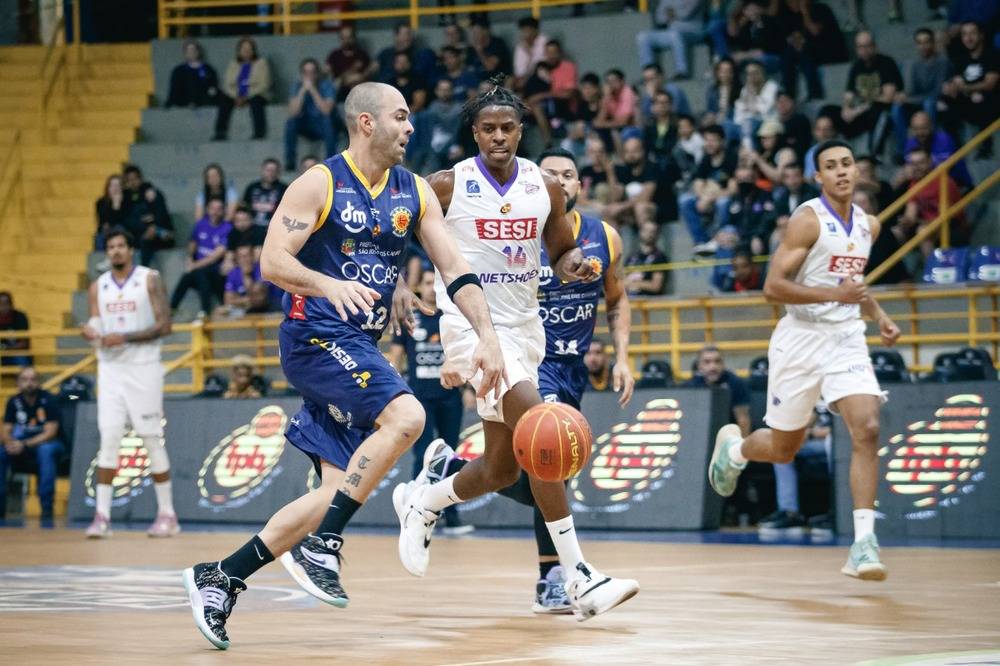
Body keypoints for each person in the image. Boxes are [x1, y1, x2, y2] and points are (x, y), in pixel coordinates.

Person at [182, 82, 505, 650]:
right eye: (401, 118)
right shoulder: (320, 182)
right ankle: (325, 544)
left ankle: (222, 576)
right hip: (313, 336)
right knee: (407, 417)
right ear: (366, 124)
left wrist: (487, 335)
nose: (411, 128)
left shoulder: (415, 192)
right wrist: (330, 284)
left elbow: (455, 266)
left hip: (358, 345)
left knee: (332, 489)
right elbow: (272, 261)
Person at [392, 80, 640, 622]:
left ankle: (426, 499)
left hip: (526, 326)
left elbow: (560, 250)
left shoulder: (544, 186)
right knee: (544, 427)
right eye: (488, 129)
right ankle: (577, 576)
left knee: (503, 469)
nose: (498, 136)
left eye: (507, 128)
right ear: (474, 133)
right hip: (472, 323)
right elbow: (397, 234)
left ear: (521, 131)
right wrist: (396, 285)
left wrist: (575, 265)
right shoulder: (446, 185)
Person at [708, 139, 902, 581]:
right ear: (818, 177)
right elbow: (773, 287)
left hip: (846, 337)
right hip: (800, 338)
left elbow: (853, 283)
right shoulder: (806, 221)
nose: (841, 172)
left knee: (868, 427)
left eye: (847, 164)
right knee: (782, 449)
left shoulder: (869, 225)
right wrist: (836, 295)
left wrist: (880, 316)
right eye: (830, 166)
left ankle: (863, 544)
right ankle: (736, 449)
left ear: (857, 171)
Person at [471, 146, 633, 612]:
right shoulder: (518, 235)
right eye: (550, 175)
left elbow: (617, 299)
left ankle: (454, 476)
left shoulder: (605, 236)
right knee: (553, 462)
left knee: (527, 469)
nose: (560, 181)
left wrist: (622, 357)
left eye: (569, 174)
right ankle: (553, 577)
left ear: (580, 185)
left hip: (573, 365)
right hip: (529, 360)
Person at [81, 227, 177, 538]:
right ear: (106, 252)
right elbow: (97, 319)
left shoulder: (149, 278)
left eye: (121, 245)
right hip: (110, 370)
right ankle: (102, 517)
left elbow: (165, 325)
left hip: (143, 366)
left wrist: (124, 336)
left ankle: (167, 514)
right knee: (108, 440)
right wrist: (92, 330)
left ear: (130, 249)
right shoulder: (98, 286)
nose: (116, 251)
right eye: (111, 247)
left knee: (150, 437)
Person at [388, 267, 469, 536]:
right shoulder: (410, 316)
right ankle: (415, 510)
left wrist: (468, 387)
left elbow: (463, 352)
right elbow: (395, 357)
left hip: (450, 396)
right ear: (419, 287)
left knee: (450, 454)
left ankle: (451, 515)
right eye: (427, 282)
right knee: (422, 454)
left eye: (436, 282)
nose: (432, 286)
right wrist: (392, 391)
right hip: (419, 397)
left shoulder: (451, 317)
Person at [1, 366, 62, 520]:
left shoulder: (49, 399)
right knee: (1, 452)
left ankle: (47, 508)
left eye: (33, 379)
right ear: (18, 383)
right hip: (21, 446)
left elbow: (50, 432)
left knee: (46, 450)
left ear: (39, 382)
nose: (29, 383)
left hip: (48, 443)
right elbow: (5, 429)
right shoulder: (13, 401)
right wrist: (10, 443)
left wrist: (25, 444)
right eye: (25, 379)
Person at [890, 27, 950, 162]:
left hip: (939, 101)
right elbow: (914, 90)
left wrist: (910, 98)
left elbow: (937, 91)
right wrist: (904, 97)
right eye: (919, 43)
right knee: (897, 107)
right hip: (921, 100)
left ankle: (931, 146)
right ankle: (903, 149)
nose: (923, 46)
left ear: (933, 43)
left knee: (929, 103)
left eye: (926, 42)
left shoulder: (942, 62)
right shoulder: (916, 64)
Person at [940, 21, 998, 157]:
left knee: (979, 98)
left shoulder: (992, 55)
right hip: (968, 98)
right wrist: (950, 88)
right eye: (964, 34)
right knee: (942, 104)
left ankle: (986, 147)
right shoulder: (961, 58)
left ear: (981, 35)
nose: (968, 38)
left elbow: (990, 84)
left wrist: (965, 87)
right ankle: (956, 146)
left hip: (991, 99)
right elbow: (957, 80)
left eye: (972, 33)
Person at [840, 32, 903, 155]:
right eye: (860, 47)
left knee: (878, 115)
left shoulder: (886, 63)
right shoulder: (856, 66)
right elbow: (849, 93)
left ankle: (874, 156)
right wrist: (846, 108)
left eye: (867, 46)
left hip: (882, 109)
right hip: (862, 110)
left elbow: (888, 97)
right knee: (829, 112)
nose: (864, 50)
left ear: (874, 46)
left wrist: (859, 109)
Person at [169, 198, 232, 318]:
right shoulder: (201, 224)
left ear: (223, 211)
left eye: (219, 209)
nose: (215, 212)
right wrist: (189, 259)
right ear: (208, 210)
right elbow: (193, 244)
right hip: (199, 271)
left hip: (216, 272)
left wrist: (193, 266)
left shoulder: (227, 228)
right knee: (187, 276)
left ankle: (205, 311)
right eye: (213, 209)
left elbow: (214, 257)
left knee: (201, 273)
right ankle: (172, 308)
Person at [214, 36, 271, 142]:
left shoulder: (262, 63)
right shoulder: (233, 64)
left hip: (256, 94)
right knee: (224, 99)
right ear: (239, 51)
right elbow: (227, 84)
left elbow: (264, 84)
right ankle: (220, 132)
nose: (246, 51)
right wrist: (237, 96)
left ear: (253, 51)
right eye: (244, 49)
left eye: (249, 49)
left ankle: (259, 133)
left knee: (256, 102)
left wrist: (246, 96)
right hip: (236, 95)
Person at [684, 345, 751, 434]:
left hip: (729, 435)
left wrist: (741, 446)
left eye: (717, 361)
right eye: (707, 362)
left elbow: (743, 420)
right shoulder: (691, 387)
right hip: (700, 435)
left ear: (723, 364)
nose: (713, 367)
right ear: (699, 366)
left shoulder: (736, 383)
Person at [285, 58, 337, 169]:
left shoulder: (326, 85)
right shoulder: (296, 86)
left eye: (312, 72)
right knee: (290, 122)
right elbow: (293, 112)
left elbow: (326, 111)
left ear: (317, 74)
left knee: (327, 121)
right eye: (306, 72)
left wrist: (313, 90)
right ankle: (290, 161)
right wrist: (302, 91)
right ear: (301, 74)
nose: (309, 75)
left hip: (322, 126)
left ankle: (331, 162)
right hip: (305, 125)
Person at [635, 0, 708, 80]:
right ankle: (649, 74)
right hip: (671, 33)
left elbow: (685, 14)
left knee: (675, 35)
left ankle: (682, 71)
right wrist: (674, 13)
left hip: (693, 32)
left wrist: (671, 12)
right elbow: (659, 18)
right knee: (643, 37)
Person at [122, 165, 174, 267]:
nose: (133, 182)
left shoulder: (153, 193)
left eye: (135, 179)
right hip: (138, 235)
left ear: (140, 178)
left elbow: (162, 214)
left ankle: (143, 270)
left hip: (160, 234)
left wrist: (154, 227)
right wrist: (145, 226)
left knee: (149, 237)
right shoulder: (125, 198)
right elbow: (127, 221)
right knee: (139, 239)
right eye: (129, 180)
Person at [325, 24, 374, 104]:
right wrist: (344, 78)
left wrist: (357, 77)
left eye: (349, 37)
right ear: (340, 39)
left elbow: (368, 72)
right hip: (341, 92)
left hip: (360, 93)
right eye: (344, 38)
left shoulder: (362, 54)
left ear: (353, 38)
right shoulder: (334, 55)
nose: (346, 40)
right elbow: (326, 72)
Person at [165, 40, 219, 108]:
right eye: (188, 51)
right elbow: (174, 93)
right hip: (183, 110)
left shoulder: (208, 70)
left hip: (205, 109)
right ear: (185, 53)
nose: (191, 53)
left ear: (198, 52)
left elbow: (213, 90)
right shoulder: (178, 72)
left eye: (193, 50)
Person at [625, 220, 669, 296]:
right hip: (630, 301)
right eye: (646, 231)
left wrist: (634, 283)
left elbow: (656, 286)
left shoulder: (660, 257)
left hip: (649, 302)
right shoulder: (631, 257)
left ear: (657, 234)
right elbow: (622, 281)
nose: (649, 234)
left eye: (653, 231)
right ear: (640, 232)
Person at [242, 158, 288, 227]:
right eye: (268, 170)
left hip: (274, 227)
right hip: (252, 227)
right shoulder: (252, 187)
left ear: (278, 172)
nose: (271, 173)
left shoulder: (284, 188)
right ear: (262, 170)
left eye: (274, 171)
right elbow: (244, 206)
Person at [95, 174, 126, 251]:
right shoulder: (101, 202)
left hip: (121, 228)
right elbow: (102, 220)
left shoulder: (126, 201)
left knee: (119, 229)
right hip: (106, 230)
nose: (115, 188)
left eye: (117, 186)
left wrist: (116, 205)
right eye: (112, 185)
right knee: (100, 237)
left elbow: (122, 220)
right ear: (108, 188)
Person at [0, 292, 31, 368]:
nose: (3, 307)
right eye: (1, 304)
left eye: (6, 303)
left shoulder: (20, 317)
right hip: (2, 355)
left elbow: (24, 343)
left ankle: (24, 379)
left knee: (20, 357)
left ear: (11, 304)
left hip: (16, 354)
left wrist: (6, 348)